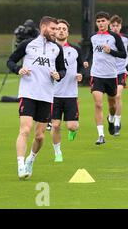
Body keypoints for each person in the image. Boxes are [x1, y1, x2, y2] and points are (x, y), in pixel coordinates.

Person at [7, 16, 66, 179]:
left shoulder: (57, 49)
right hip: (28, 93)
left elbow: (62, 70)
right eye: (53, 29)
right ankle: (20, 167)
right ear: (44, 27)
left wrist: (58, 75)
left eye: (57, 29)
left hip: (46, 96)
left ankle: (30, 160)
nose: (56, 32)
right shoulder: (28, 45)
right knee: (25, 129)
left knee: (39, 136)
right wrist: (18, 69)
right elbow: (11, 61)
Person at [83, 11, 127, 145]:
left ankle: (111, 118)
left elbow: (123, 54)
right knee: (98, 103)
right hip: (96, 75)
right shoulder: (93, 37)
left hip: (111, 75)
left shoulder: (115, 37)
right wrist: (86, 60)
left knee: (112, 104)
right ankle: (101, 135)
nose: (101, 23)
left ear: (108, 22)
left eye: (103, 21)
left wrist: (111, 51)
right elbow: (91, 50)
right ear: (96, 23)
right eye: (98, 21)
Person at [50, 19, 83, 162]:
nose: (61, 30)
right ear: (54, 32)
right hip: (53, 94)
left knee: (72, 126)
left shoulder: (75, 50)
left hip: (70, 94)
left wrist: (81, 74)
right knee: (55, 125)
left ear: (68, 32)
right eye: (58, 28)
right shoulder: (49, 49)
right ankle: (58, 152)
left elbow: (82, 66)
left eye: (64, 28)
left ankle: (72, 131)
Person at [109, 15, 128, 135]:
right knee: (112, 101)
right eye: (113, 25)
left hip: (121, 71)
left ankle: (117, 122)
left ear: (120, 26)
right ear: (110, 26)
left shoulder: (126, 38)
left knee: (118, 96)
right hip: (108, 72)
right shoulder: (105, 38)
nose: (115, 28)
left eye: (117, 26)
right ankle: (111, 117)